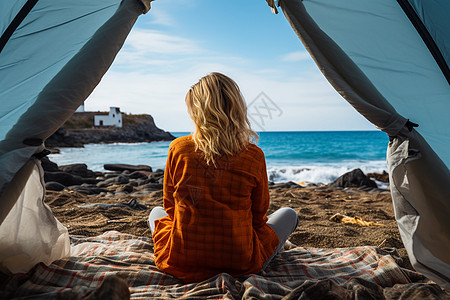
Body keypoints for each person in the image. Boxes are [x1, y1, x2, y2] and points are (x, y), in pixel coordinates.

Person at [149, 72, 298, 283]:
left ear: (198, 112)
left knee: (156, 213)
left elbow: (170, 208)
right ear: (236, 108)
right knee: (289, 214)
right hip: (239, 262)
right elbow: (258, 217)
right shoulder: (253, 155)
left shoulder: (178, 148)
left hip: (181, 261)